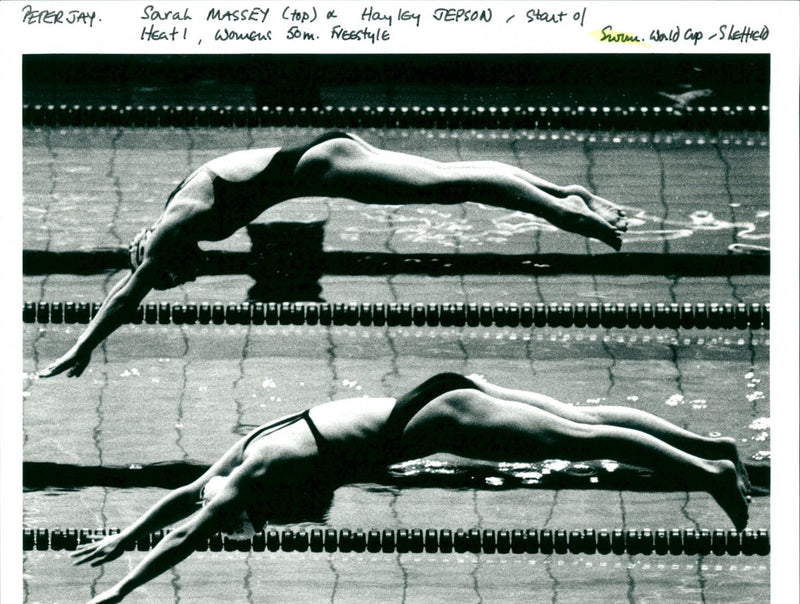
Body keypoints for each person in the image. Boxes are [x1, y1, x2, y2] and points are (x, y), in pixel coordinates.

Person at [68, 372, 751, 604]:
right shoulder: (244, 450)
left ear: (242, 507)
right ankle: (712, 449)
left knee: (583, 441)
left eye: (254, 524)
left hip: (441, 419)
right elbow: (182, 494)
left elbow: (189, 528)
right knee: (587, 422)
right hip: (436, 394)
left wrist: (124, 586)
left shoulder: (245, 484)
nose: (273, 523)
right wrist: (124, 535)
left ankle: (711, 474)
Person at [38, 131, 628, 378]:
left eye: (153, 266)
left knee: (453, 185)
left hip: (325, 164)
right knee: (453, 179)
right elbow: (136, 286)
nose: (146, 263)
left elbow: (126, 296)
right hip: (325, 156)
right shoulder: (175, 224)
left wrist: (81, 348)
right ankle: (565, 194)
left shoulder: (176, 226)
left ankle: (562, 212)